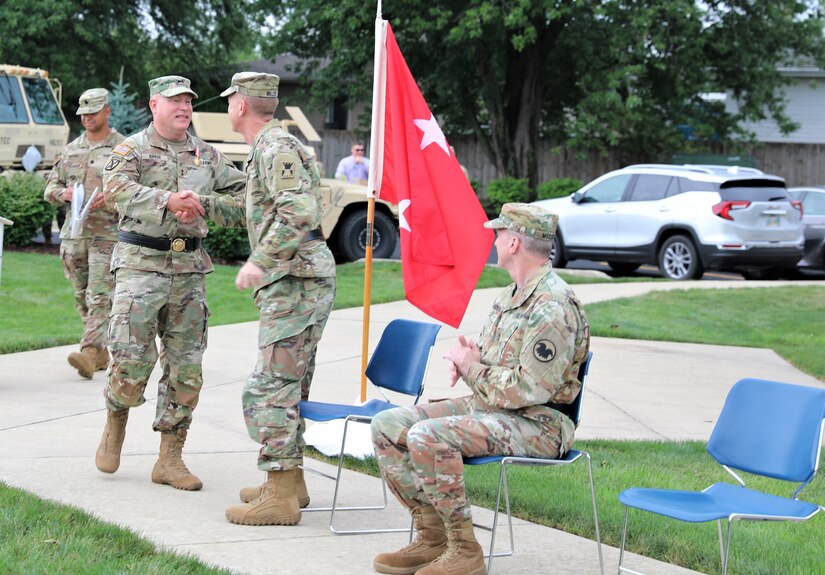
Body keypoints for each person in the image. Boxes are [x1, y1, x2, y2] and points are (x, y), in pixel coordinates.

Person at [370, 203, 590, 575]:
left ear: (515, 243)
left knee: (427, 436)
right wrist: (469, 358)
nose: (496, 238)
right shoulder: (510, 297)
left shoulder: (552, 306)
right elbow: (494, 363)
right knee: (387, 425)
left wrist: (472, 369)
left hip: (540, 424)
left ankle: (464, 550)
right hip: (494, 410)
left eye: (500, 233)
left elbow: (528, 390)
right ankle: (432, 536)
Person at [95, 75, 246, 491]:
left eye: (188, 101)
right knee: (130, 358)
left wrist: (206, 204)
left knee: (186, 367)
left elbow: (245, 196)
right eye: (175, 101)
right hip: (141, 265)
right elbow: (115, 190)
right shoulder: (132, 149)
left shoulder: (207, 155)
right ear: (154, 105)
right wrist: (167, 201)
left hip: (190, 268)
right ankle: (116, 419)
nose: (184, 107)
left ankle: (170, 457)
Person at [218, 72, 336, 526]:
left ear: (241, 106)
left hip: (296, 282)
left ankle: (281, 496)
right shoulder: (270, 148)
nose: (229, 107)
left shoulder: (275, 148)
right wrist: (199, 204)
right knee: (289, 385)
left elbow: (298, 212)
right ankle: (289, 482)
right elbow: (259, 210)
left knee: (269, 387)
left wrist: (260, 261)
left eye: (231, 101)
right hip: (295, 282)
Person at [44, 88, 125, 379]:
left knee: (100, 294)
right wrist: (62, 193)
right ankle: (101, 351)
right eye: (83, 114)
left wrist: (112, 196)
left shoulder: (124, 149)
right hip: (74, 235)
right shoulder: (70, 150)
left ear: (107, 112)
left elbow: (135, 191)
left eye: (93, 112)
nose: (88, 117)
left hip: (107, 235)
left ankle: (90, 351)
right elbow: (49, 188)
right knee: (82, 296)